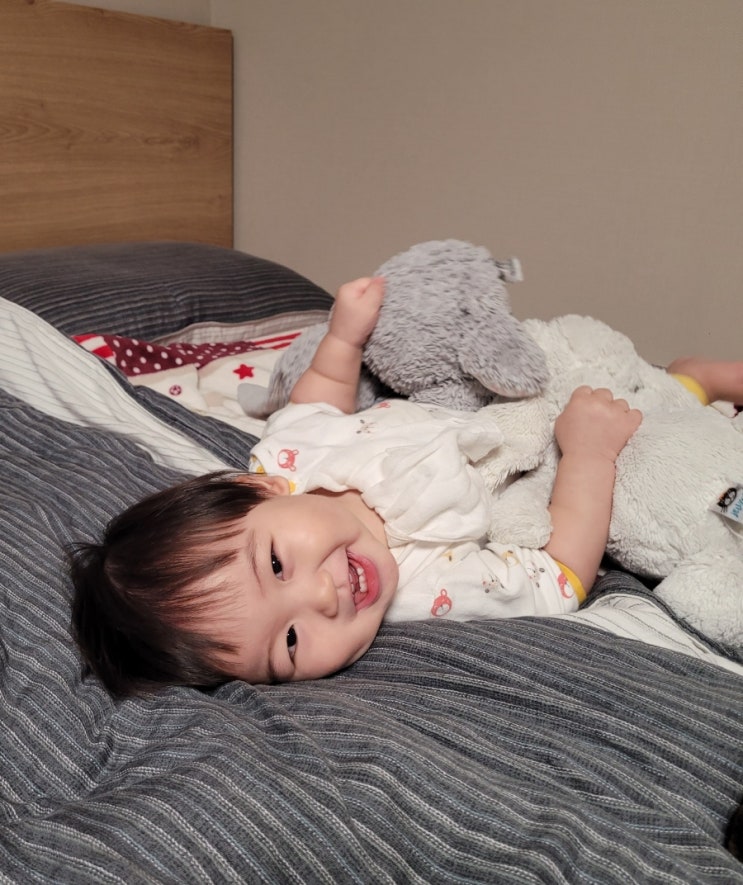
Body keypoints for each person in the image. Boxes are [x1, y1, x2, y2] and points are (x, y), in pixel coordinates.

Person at [70, 276, 742, 695]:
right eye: (291, 643)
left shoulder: (291, 460)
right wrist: (589, 455)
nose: (322, 597)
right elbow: (559, 575)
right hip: (538, 464)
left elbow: (318, 397)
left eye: (275, 564)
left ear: (258, 490)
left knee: (558, 350)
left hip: (479, 406)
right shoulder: (430, 586)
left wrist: (344, 335)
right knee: (653, 444)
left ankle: (677, 375)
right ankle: (690, 385)